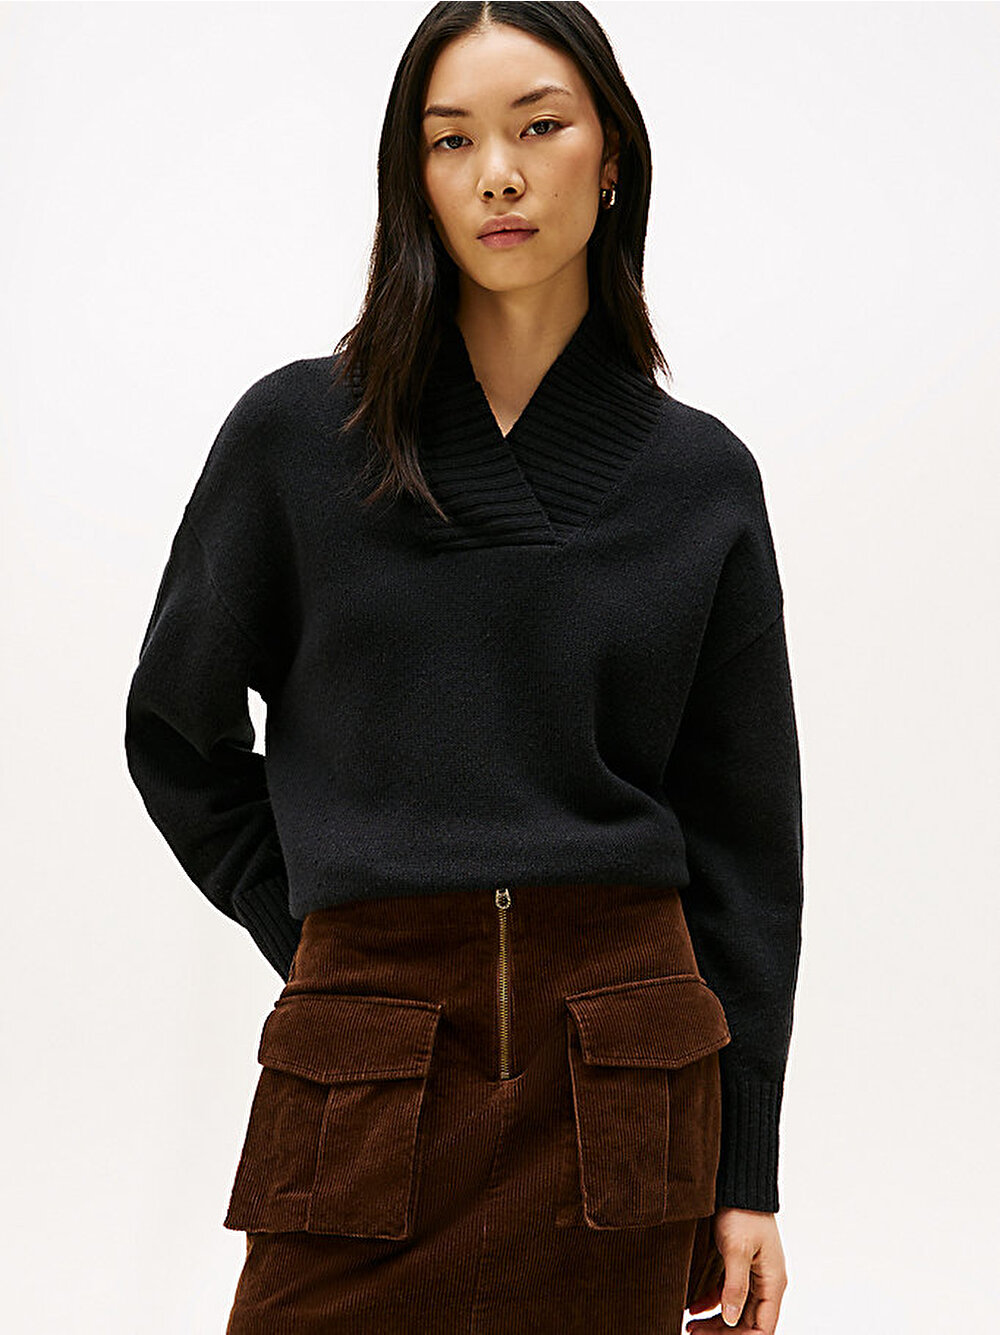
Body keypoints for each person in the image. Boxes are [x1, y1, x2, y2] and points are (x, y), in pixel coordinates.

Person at [123, 5, 803, 1333]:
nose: (499, 172)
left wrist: (747, 1174)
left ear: (612, 156)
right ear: (413, 179)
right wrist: (319, 932)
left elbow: (746, 847)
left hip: (625, 1071)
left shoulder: (700, 480)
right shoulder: (298, 439)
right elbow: (177, 732)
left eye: (539, 126)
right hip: (364, 1064)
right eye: (451, 141)